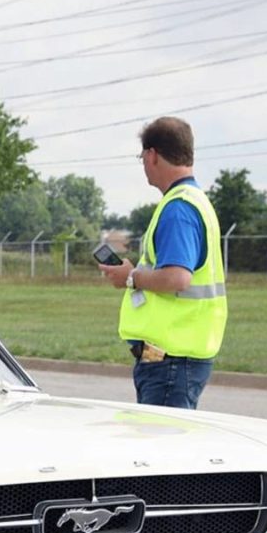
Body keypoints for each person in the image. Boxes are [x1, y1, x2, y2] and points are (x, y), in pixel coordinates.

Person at [99, 116, 227, 410]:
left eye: (142, 156)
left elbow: (177, 278)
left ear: (152, 154)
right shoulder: (194, 201)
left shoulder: (178, 209)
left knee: (162, 450)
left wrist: (131, 277)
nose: (143, 163)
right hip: (177, 359)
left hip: (170, 362)